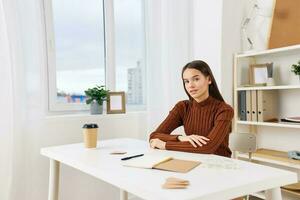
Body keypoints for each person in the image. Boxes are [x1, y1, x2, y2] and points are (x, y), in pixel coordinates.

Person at [149, 60, 234, 157]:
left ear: (209, 79)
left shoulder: (224, 110)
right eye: (186, 81)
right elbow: (154, 135)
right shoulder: (182, 107)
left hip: (219, 164)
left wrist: (165, 145)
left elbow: (208, 147)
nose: (190, 85)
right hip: (193, 159)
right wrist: (181, 138)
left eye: (196, 79)